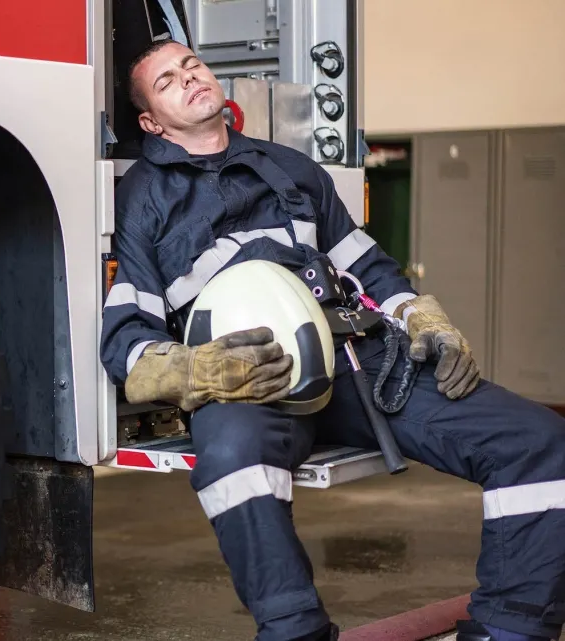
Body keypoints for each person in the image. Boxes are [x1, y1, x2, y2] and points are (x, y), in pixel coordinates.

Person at [100, 38, 565, 641]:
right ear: (150, 120)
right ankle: (295, 629)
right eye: (167, 82)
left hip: (356, 362)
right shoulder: (141, 199)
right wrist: (192, 372)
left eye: (192, 65)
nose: (189, 79)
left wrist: (423, 317)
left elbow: (370, 268)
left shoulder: (292, 170)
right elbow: (125, 333)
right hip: (251, 381)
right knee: (232, 465)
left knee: (538, 442)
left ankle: (512, 625)